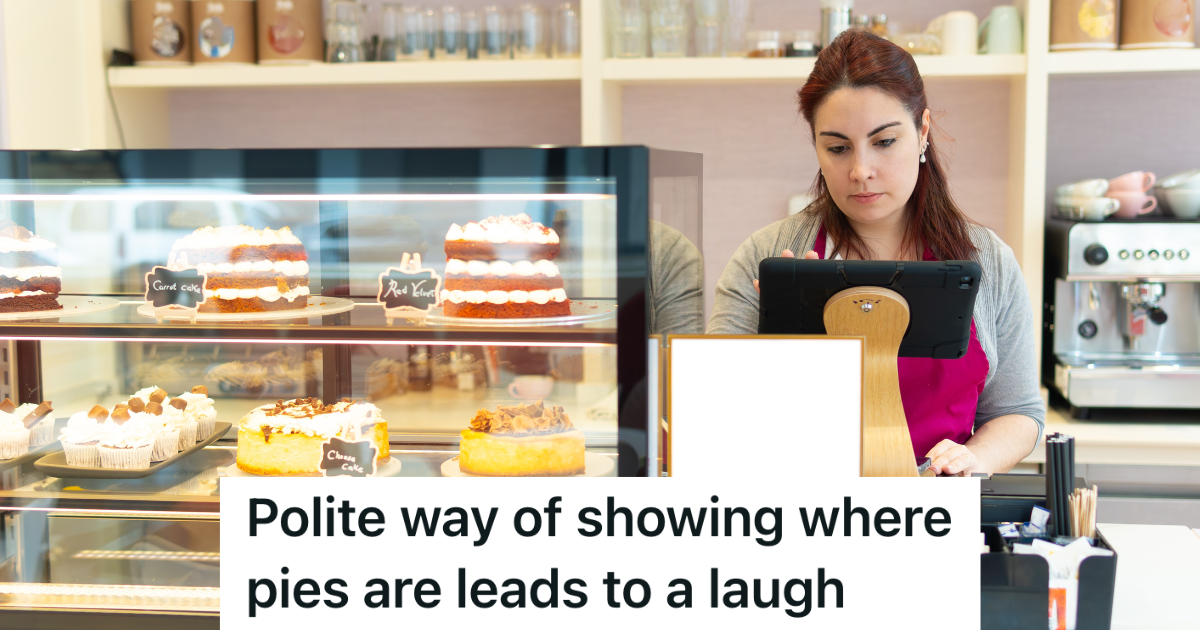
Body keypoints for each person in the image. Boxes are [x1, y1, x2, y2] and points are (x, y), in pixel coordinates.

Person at [706, 30, 1043, 476]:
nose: (860, 170)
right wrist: (784, 354)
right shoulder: (765, 255)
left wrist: (974, 459)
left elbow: (1018, 412)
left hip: (939, 505)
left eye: (884, 142)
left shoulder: (990, 261)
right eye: (837, 148)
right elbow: (711, 414)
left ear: (922, 132)